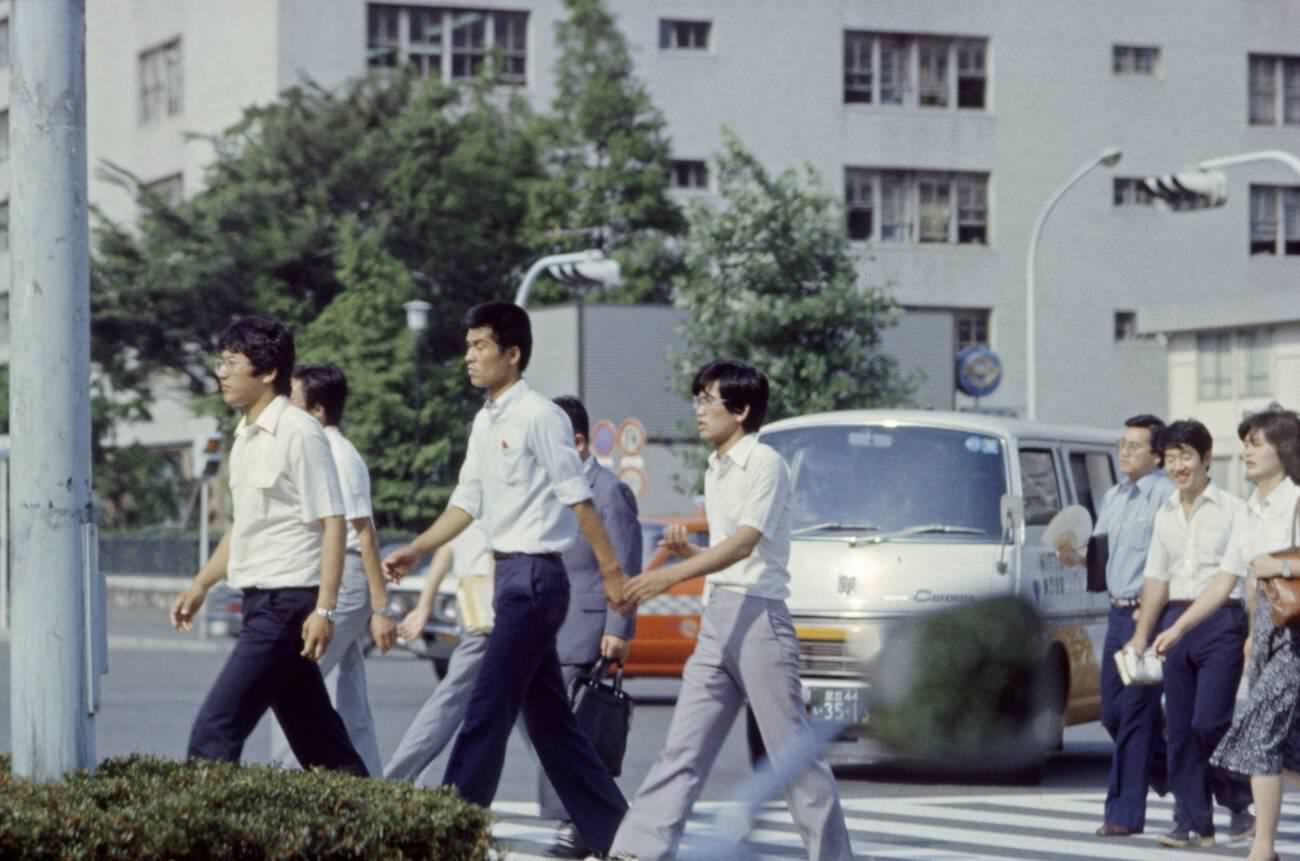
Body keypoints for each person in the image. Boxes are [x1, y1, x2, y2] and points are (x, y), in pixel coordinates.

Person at [382, 302, 631, 856]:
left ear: (512, 355)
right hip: (510, 578)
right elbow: (465, 503)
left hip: (537, 580)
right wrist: (418, 549)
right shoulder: (485, 419)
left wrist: (613, 576)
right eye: (468, 346)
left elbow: (580, 501)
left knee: (485, 711)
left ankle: (450, 836)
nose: (469, 357)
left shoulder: (542, 418)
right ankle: (620, 834)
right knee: (552, 727)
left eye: (480, 347)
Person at [607, 359, 853, 861]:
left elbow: (745, 544)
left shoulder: (764, 464)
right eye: (697, 398)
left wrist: (667, 576)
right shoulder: (716, 467)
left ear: (740, 410)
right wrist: (689, 558)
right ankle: (638, 850)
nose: (698, 410)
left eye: (707, 400)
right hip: (719, 614)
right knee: (684, 747)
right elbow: (729, 555)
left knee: (790, 755)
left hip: (760, 620)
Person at [170, 316, 366, 775]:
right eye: (221, 361)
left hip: (287, 604)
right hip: (261, 602)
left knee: (215, 730)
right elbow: (244, 528)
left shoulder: (299, 432)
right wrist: (200, 584)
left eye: (232, 363)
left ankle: (198, 839)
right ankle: (389, 835)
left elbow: (333, 523)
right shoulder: (245, 438)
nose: (221, 372)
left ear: (267, 373)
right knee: (319, 741)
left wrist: (326, 609)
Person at [1123, 419, 1253, 847]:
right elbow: (1157, 579)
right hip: (1173, 622)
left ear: (1207, 458)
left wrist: (1180, 627)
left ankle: (1238, 797)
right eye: (1172, 457)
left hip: (1221, 620)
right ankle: (1193, 822)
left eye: (1187, 456)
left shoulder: (1235, 509)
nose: (1178, 466)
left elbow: (1228, 580)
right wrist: (1142, 635)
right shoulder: (1165, 514)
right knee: (1178, 728)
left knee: (1209, 722)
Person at [264, 363, 397, 777]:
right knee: (347, 693)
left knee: (291, 685)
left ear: (318, 411)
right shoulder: (321, 451)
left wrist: (381, 608)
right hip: (337, 578)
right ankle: (369, 787)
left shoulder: (338, 455)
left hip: (346, 579)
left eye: (295, 402)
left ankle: (287, 781)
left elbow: (365, 533)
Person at [536, 395, 642, 859]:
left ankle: (575, 823)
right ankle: (597, 820)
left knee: (571, 729)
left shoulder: (608, 491)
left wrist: (619, 626)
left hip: (587, 628)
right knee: (554, 729)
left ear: (577, 441)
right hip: (550, 626)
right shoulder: (553, 488)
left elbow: (623, 561)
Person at [1059, 414, 1173, 837]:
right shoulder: (1113, 497)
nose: (1123, 452)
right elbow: (1100, 553)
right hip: (1117, 613)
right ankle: (1196, 778)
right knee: (1112, 713)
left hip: (1149, 613)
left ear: (1157, 455)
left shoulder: (1165, 495)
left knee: (1139, 715)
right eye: (1122, 444)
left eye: (1134, 446)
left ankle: (1123, 814)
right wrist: (1075, 556)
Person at [1212, 407, 1300, 861]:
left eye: (1255, 442)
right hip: (1266, 628)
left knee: (1262, 730)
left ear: (1284, 449)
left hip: (1298, 634)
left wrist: (1281, 564)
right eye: (1244, 441)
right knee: (1290, 742)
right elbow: (1233, 577)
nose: (1245, 450)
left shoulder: (1298, 500)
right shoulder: (1248, 508)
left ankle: (1262, 849)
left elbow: (1274, 571)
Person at [384, 524, 493, 785]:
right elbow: (448, 547)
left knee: (539, 707)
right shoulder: (474, 487)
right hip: (485, 609)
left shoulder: (478, 487)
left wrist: (424, 606)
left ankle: (396, 780)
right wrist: (423, 606)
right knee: (452, 696)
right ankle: (397, 779)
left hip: (491, 606)